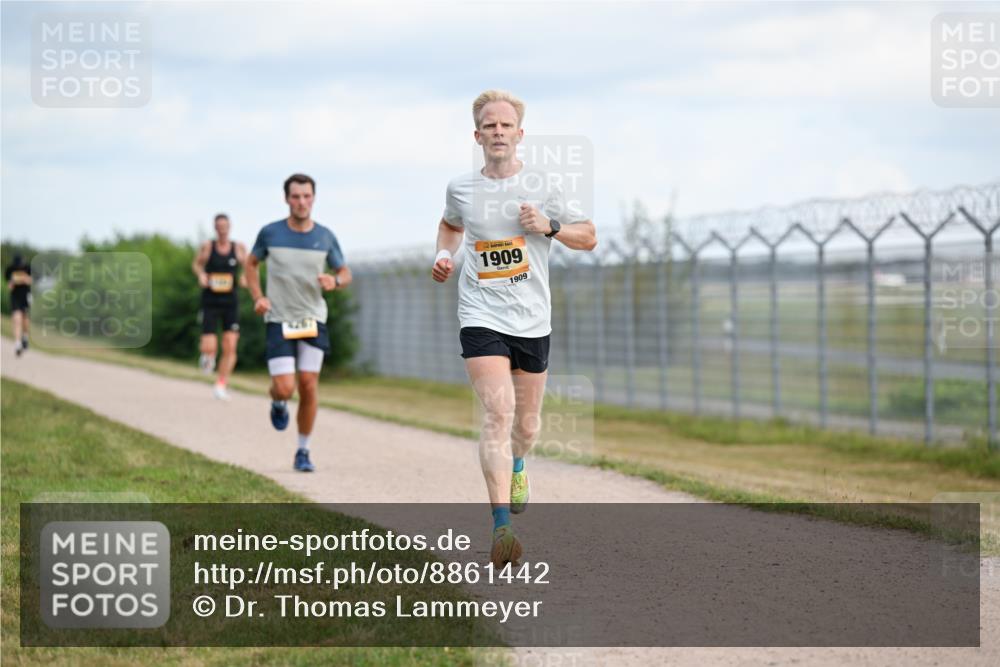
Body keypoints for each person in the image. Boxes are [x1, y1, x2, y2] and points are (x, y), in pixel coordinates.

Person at [432, 90, 597, 567]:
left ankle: (519, 463)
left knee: (525, 426)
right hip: (480, 314)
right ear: (477, 134)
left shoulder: (544, 184)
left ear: (519, 134)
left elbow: (588, 236)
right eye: (490, 125)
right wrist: (443, 255)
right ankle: (501, 525)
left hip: (532, 319)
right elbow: (449, 226)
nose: (498, 132)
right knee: (498, 414)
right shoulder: (461, 188)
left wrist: (549, 227)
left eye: (506, 125)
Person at [245, 174, 352, 472]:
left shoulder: (325, 236)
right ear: (286, 199)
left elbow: (345, 272)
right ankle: (277, 402)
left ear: (314, 198)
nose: (301, 202)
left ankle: (303, 451)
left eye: (306, 196)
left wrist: (335, 280)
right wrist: (258, 296)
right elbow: (250, 265)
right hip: (279, 318)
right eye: (296, 196)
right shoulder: (270, 233)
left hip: (312, 318)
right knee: (284, 387)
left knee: (308, 384)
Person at [192, 213, 247, 399]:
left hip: (231, 302)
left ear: (230, 227)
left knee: (231, 345)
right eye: (219, 226)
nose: (222, 229)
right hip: (210, 301)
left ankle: (221, 384)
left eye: (225, 226)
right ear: (215, 228)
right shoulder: (208, 247)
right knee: (210, 345)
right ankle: (208, 356)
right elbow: (197, 265)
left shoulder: (238, 248)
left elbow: (249, 267)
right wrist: (201, 275)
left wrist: (245, 277)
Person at [5, 254, 32, 357]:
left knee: (25, 318)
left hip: (26, 296)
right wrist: (12, 282)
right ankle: (17, 344)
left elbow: (34, 280)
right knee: (17, 318)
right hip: (15, 297)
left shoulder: (28, 268)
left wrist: (26, 279)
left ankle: (25, 337)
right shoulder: (10, 269)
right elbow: (9, 285)